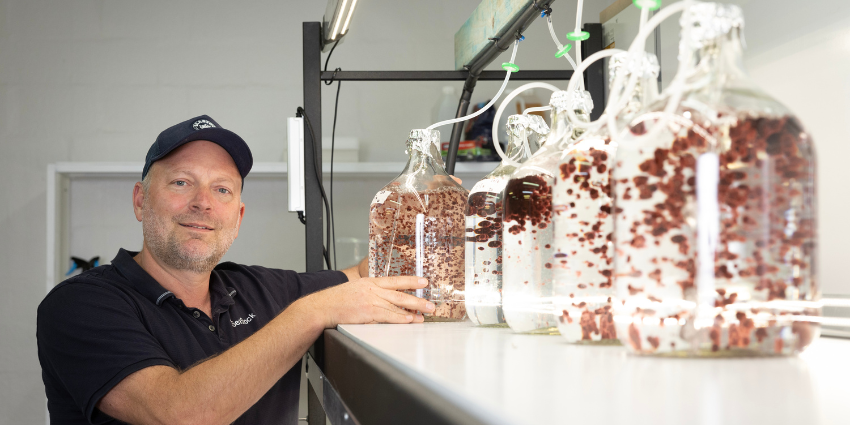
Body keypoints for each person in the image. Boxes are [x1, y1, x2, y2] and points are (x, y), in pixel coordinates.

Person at [37, 115, 434, 425]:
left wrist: (438, 232)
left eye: (222, 189)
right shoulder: (81, 304)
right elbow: (181, 414)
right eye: (180, 182)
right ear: (141, 201)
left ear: (238, 216)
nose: (203, 203)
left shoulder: (252, 288)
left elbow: (367, 276)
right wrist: (311, 312)